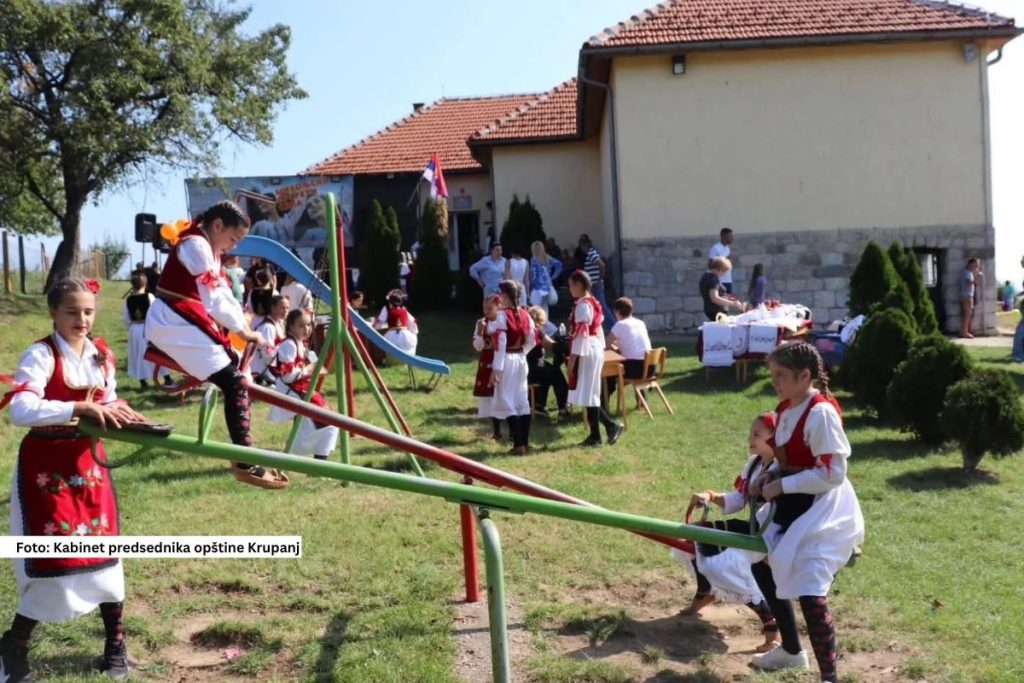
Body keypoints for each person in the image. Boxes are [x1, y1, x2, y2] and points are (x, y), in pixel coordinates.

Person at [0, 278, 148, 681]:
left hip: (88, 464)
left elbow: (107, 399)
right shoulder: (41, 354)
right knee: (56, 556)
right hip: (47, 470)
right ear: (53, 312)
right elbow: (21, 410)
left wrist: (118, 407)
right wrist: (77, 406)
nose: (81, 319)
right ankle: (14, 646)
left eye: (87, 311)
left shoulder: (101, 354)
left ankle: (115, 642)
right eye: (71, 311)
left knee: (106, 557)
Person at [145, 200, 286, 489]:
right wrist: (243, 330)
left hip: (181, 319)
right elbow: (213, 298)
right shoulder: (195, 245)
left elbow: (222, 293)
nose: (233, 246)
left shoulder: (208, 248)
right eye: (233, 239)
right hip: (173, 320)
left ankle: (245, 454)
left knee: (237, 377)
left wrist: (242, 326)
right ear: (218, 225)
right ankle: (245, 460)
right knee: (234, 382)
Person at [748, 342, 864, 682]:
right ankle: (792, 650)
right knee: (761, 562)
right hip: (794, 504)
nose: (775, 382)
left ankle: (830, 678)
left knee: (812, 593)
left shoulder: (821, 414)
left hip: (824, 510)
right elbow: (791, 460)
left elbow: (832, 474)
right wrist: (771, 475)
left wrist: (782, 486)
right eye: (773, 375)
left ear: (805, 376)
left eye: (781, 376)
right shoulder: (786, 408)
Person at [676, 412, 782, 653]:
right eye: (750, 434)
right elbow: (738, 500)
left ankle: (771, 624)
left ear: (775, 439)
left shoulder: (781, 469)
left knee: (721, 565)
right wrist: (711, 496)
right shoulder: (755, 464)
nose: (750, 439)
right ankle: (705, 592)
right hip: (755, 530)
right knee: (692, 536)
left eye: (757, 435)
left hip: (770, 537)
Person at [266, 309, 340, 461]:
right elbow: (287, 376)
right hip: (293, 391)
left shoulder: (300, 343)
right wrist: (309, 369)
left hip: (302, 389)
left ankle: (318, 460)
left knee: (329, 420)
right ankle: (298, 454)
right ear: (291, 327)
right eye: (301, 325)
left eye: (308, 325)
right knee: (328, 421)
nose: (306, 329)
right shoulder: (289, 345)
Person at [566, 270, 624, 447]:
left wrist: (572, 359)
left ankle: (610, 425)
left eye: (571, 285)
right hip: (593, 348)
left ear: (578, 285)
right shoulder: (593, 302)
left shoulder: (583, 306)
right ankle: (595, 436)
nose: (570, 289)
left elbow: (581, 334)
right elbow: (598, 330)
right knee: (589, 394)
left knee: (588, 394)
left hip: (587, 350)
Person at [488, 280, 535, 455]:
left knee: (508, 400)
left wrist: (496, 369)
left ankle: (519, 444)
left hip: (506, 359)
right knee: (522, 400)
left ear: (505, 296)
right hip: (521, 359)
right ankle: (524, 442)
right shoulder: (525, 314)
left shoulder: (502, 315)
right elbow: (532, 339)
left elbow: (500, 344)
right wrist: (523, 352)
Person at [123, 273, 170, 388]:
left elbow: (126, 318)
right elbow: (155, 313)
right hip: (148, 328)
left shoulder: (128, 300)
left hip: (135, 329)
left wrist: (132, 326)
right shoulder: (149, 297)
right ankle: (166, 378)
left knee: (139, 354)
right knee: (156, 351)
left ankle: (143, 381)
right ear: (145, 284)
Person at [527, 306, 569, 418]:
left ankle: (539, 405)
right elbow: (551, 345)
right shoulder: (537, 330)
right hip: (534, 367)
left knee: (549, 371)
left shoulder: (527, 329)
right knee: (557, 375)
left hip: (529, 366)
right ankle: (563, 407)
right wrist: (564, 344)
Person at [472, 295, 504, 440]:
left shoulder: (502, 322)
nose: (486, 311)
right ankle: (496, 430)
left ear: (498, 307)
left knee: (502, 393)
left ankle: (510, 426)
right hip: (486, 362)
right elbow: (477, 347)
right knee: (490, 396)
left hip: (500, 360)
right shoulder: (481, 323)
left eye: (490, 308)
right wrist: (479, 332)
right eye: (484, 308)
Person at [608, 297, 652, 381]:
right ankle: (642, 393)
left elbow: (608, 345)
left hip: (634, 369)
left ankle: (606, 392)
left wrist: (617, 350)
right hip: (650, 367)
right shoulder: (640, 323)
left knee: (609, 368)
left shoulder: (620, 324)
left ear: (617, 312)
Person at [251, 295, 289, 385]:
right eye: (282, 308)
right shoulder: (268, 327)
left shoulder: (279, 323)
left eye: (287, 308)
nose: (286, 311)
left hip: (271, 367)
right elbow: (267, 354)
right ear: (273, 307)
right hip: (261, 370)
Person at [578, 234, 614, 327]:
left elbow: (601, 265)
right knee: (595, 307)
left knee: (602, 307)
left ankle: (614, 326)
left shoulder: (591, 253)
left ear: (584, 244)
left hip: (596, 285)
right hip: (593, 284)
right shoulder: (591, 253)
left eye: (581, 245)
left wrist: (600, 278)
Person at [374, 289, 418, 355]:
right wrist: (414, 332)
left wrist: (374, 328)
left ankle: (389, 359)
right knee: (409, 345)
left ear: (390, 303)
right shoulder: (404, 310)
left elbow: (379, 321)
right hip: (405, 335)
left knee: (386, 345)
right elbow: (413, 321)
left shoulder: (387, 310)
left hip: (392, 336)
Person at [529, 240, 562, 314]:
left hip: (538, 287)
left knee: (536, 309)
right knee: (545, 307)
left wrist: (532, 286)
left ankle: (539, 324)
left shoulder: (534, 259)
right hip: (548, 286)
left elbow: (533, 275)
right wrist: (554, 276)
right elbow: (559, 265)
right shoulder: (548, 258)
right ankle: (545, 323)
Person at [708, 228, 735, 295]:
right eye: (730, 236)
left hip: (728, 280)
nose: (732, 238)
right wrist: (714, 279)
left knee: (728, 301)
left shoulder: (727, 249)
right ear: (723, 236)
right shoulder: (715, 248)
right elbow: (710, 264)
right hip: (720, 281)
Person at [959, 257, 980, 338]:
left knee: (967, 314)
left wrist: (976, 277)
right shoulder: (967, 272)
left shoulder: (969, 272)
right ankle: (965, 332)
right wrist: (977, 276)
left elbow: (975, 284)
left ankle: (964, 331)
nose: (976, 267)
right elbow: (969, 283)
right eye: (975, 265)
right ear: (970, 264)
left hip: (967, 295)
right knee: (967, 314)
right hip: (967, 295)